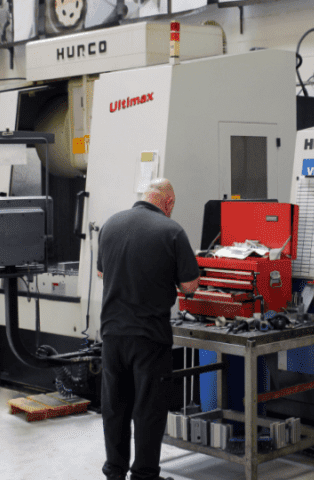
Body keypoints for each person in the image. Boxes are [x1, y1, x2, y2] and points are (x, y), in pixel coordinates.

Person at [97, 178, 199, 480]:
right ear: (167, 203)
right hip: (149, 337)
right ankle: (144, 475)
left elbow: (103, 272)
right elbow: (190, 286)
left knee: (115, 407)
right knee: (148, 410)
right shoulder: (172, 231)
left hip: (112, 334)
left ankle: (114, 472)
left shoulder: (111, 224)